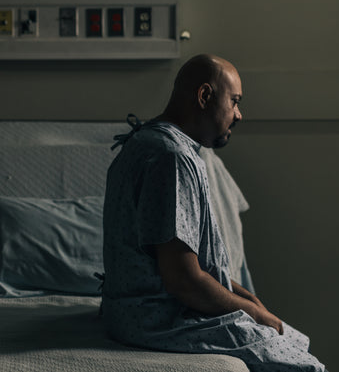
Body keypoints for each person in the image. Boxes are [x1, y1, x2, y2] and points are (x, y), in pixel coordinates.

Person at [102, 54, 327, 372]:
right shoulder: (172, 158)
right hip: (155, 321)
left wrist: (253, 305)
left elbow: (198, 266)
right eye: (234, 101)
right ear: (205, 96)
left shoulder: (144, 141)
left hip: (124, 314)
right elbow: (183, 280)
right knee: (307, 367)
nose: (239, 114)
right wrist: (257, 316)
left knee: (290, 336)